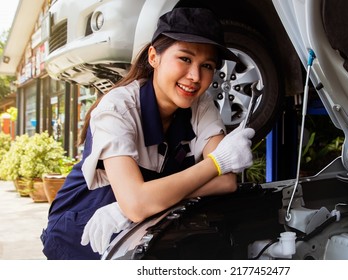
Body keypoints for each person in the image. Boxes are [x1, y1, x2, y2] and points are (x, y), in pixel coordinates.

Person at [41, 7, 255, 260]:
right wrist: (217, 162)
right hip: (86, 225)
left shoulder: (201, 105)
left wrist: (142, 202)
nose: (195, 76)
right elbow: (138, 203)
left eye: (207, 65)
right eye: (185, 59)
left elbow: (226, 182)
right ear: (154, 57)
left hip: (142, 221)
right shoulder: (118, 107)